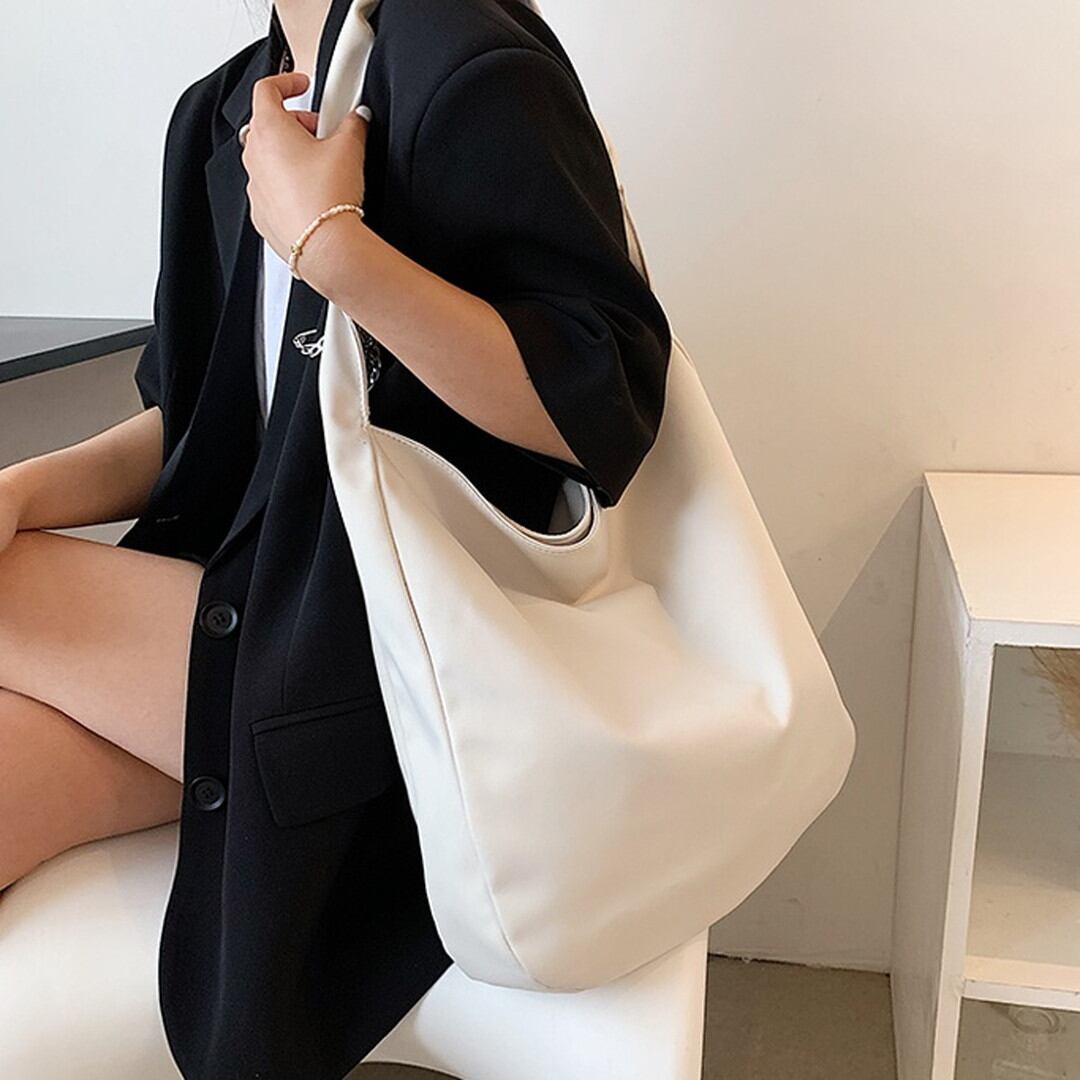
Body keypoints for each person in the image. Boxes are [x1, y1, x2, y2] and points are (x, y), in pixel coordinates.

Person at [0, 0, 672, 1074]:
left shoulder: (468, 65)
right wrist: (21, 492)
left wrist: (334, 249)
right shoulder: (221, 111)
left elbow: (604, 409)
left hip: (400, 666)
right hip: (249, 625)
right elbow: (196, 426)